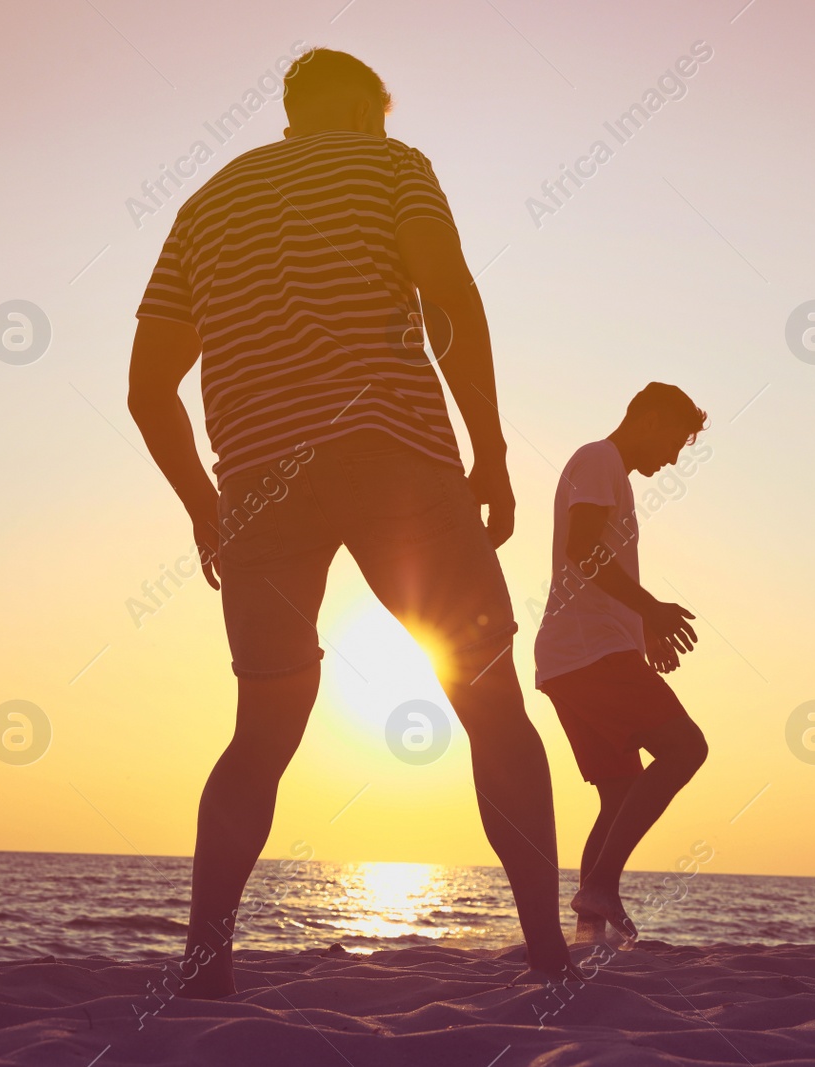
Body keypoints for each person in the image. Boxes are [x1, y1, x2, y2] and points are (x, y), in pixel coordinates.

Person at [127, 48, 572, 996]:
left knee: (262, 729)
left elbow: (145, 388)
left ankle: (206, 965)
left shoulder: (204, 203)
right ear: (370, 111)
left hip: (256, 484)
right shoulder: (392, 163)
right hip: (392, 454)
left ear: (291, 115)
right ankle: (547, 955)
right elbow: (448, 299)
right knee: (491, 707)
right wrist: (489, 449)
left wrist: (206, 510)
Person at [533, 383, 711, 943]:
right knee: (686, 748)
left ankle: (590, 931)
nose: (675, 457)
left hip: (581, 654)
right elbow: (582, 552)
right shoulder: (598, 458)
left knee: (619, 792)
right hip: (589, 653)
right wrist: (652, 610)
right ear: (650, 420)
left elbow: (601, 565)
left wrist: (642, 633)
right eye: (677, 441)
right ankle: (601, 887)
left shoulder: (611, 473)